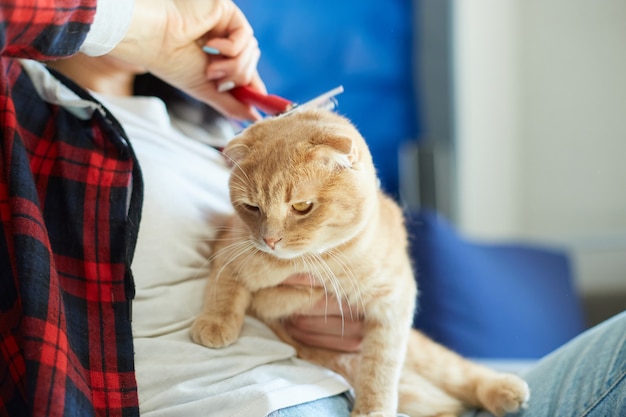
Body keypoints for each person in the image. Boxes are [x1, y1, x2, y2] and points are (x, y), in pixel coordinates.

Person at [1, 1, 624, 417]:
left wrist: (346, 309)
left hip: (356, 381)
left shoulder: (209, 133)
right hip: (253, 396)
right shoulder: (27, 114)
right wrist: (146, 29)